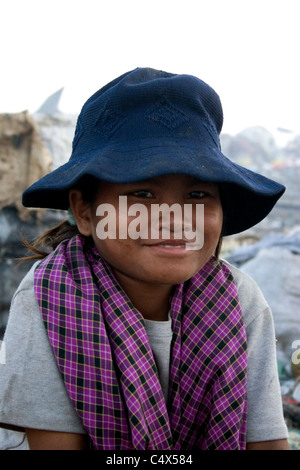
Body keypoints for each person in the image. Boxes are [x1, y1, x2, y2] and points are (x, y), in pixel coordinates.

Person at [0, 68, 290, 450]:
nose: (174, 219)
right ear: (85, 213)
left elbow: (265, 443)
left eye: (198, 196)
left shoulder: (240, 301)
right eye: (142, 193)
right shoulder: (49, 298)